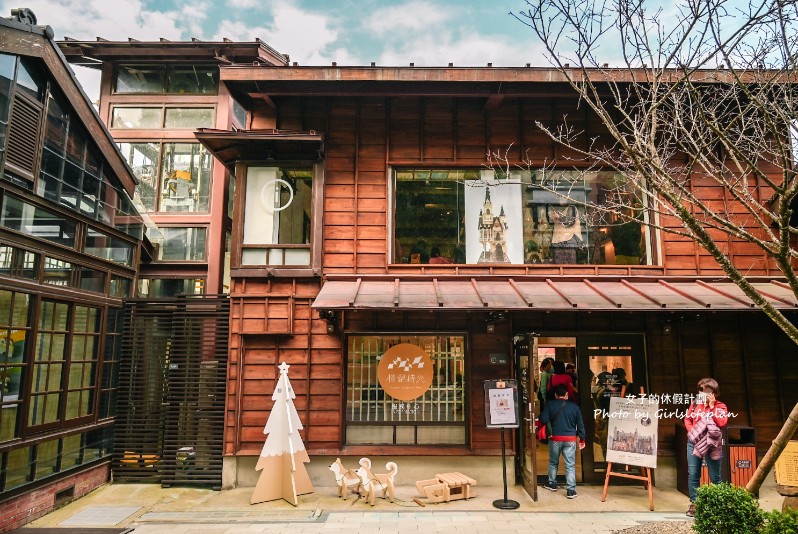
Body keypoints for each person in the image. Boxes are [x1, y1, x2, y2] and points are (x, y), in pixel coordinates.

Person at [684, 377, 729, 517]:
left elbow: (722, 423)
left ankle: (718, 505)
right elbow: (687, 418)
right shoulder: (695, 404)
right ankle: (695, 504)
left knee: (715, 476)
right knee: (693, 474)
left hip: (712, 443)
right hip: (694, 442)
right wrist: (692, 431)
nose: (701, 394)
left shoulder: (721, 406)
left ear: (714, 393)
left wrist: (711, 407)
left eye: (705, 391)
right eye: (700, 391)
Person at [539, 383, 586, 498]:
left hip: (555, 438)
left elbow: (543, 418)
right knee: (570, 465)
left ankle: (552, 484)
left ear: (555, 395)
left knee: (553, 462)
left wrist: (550, 429)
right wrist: (582, 439)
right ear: (566, 394)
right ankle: (571, 490)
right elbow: (580, 424)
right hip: (570, 438)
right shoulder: (574, 407)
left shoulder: (550, 404)